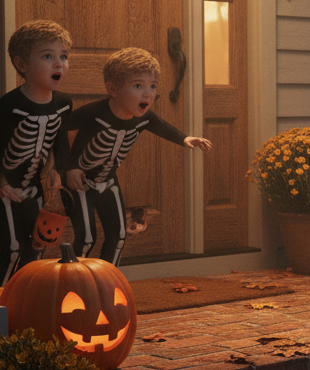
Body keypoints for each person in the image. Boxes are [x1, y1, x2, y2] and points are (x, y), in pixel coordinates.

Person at [63, 47, 212, 265]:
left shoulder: (143, 118)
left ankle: (108, 281)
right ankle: (72, 282)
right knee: (86, 238)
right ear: (112, 89)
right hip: (80, 183)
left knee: (118, 236)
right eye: (138, 86)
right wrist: (68, 167)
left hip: (108, 181)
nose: (148, 93)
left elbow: (162, 127)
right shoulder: (93, 113)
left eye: (152, 86)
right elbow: (57, 130)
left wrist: (185, 138)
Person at [0, 19, 74, 285]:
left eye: (63, 56)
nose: (59, 63)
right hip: (6, 191)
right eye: (48, 56)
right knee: (13, 248)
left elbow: (60, 143)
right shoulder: (9, 106)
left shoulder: (63, 104)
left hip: (35, 189)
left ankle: (29, 298)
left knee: (37, 247)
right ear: (22, 65)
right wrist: (0, 182)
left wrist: (60, 174)